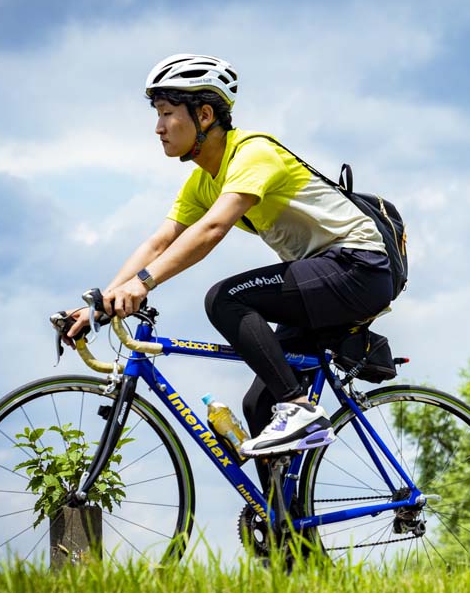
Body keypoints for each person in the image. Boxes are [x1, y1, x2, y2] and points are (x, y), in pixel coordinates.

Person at [65, 53, 393, 461]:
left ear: (204, 114)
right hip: (323, 279)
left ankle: (300, 408)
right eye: (157, 114)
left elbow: (211, 229)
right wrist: (101, 306)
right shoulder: (203, 181)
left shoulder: (253, 153)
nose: (158, 127)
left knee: (225, 298)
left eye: (167, 113)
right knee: (258, 407)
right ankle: (285, 524)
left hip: (357, 267)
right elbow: (159, 242)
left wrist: (143, 283)